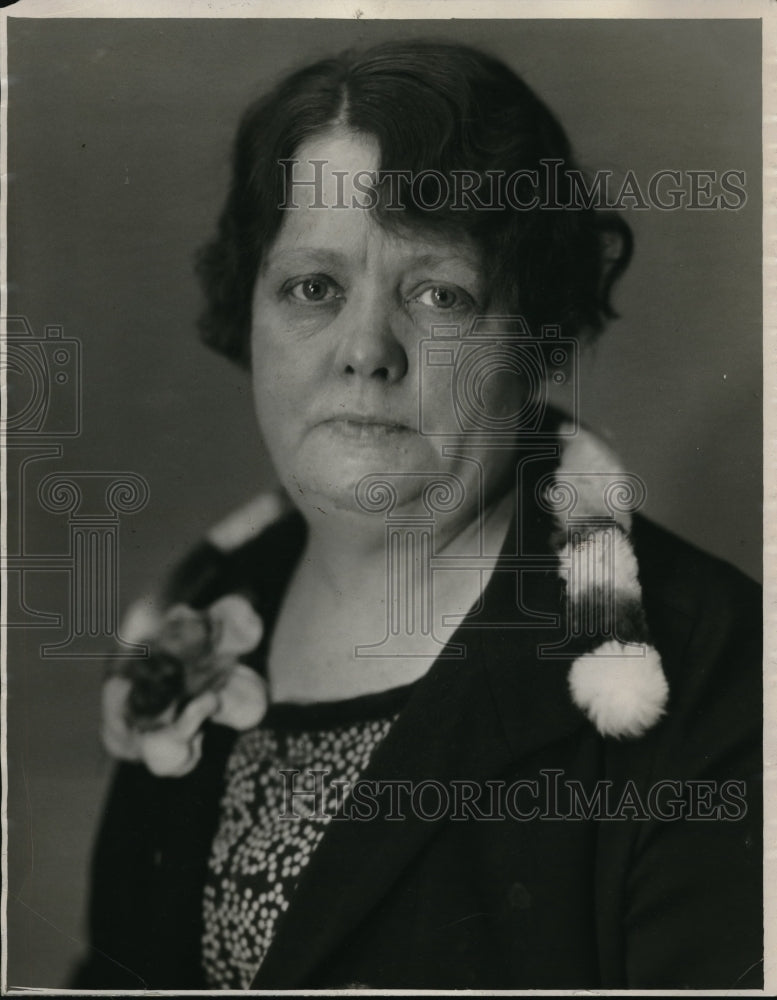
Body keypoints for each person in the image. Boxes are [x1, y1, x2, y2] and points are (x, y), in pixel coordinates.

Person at [73, 40, 762, 990]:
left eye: (439, 294)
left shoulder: (715, 670)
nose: (366, 350)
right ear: (250, 312)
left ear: (535, 339)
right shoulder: (198, 619)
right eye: (313, 288)